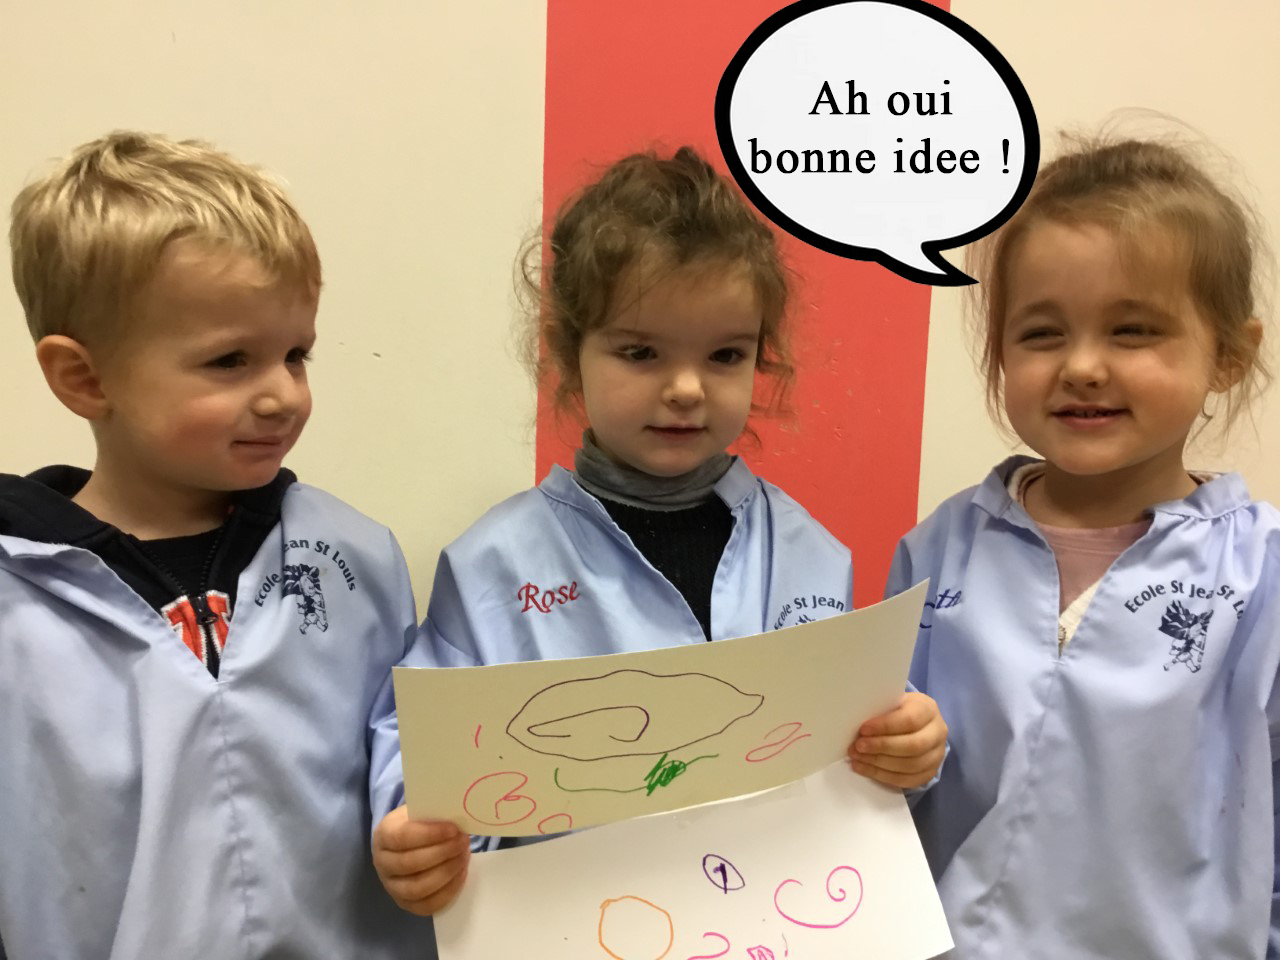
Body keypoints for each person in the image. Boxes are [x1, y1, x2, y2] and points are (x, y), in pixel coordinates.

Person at [369, 147, 948, 917]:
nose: (684, 387)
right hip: (575, 925)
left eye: (725, 355)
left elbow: (854, 718)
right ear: (569, 352)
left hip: (766, 920)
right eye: (640, 352)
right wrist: (412, 827)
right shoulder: (494, 567)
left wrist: (910, 739)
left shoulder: (806, 550)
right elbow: (422, 740)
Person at [0, 131, 440, 958]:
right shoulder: (14, 602)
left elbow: (405, 742)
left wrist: (413, 818)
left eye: (296, 354)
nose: (283, 395)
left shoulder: (355, 561)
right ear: (85, 379)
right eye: (230, 361)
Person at [888, 135, 1278, 958]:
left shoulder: (1262, 577)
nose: (1084, 367)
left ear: (1229, 355)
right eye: (1042, 334)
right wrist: (896, 754)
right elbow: (877, 790)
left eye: (1132, 331)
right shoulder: (940, 549)